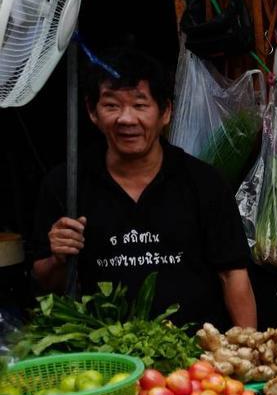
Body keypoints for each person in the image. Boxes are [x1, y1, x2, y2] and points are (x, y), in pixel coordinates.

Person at [29, 47, 256, 329]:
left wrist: (248, 348)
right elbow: (47, 283)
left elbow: (233, 275)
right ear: (92, 111)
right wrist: (59, 259)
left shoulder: (203, 182)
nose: (126, 119)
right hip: (106, 357)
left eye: (140, 105)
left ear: (165, 112)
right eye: (111, 105)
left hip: (197, 358)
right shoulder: (65, 184)